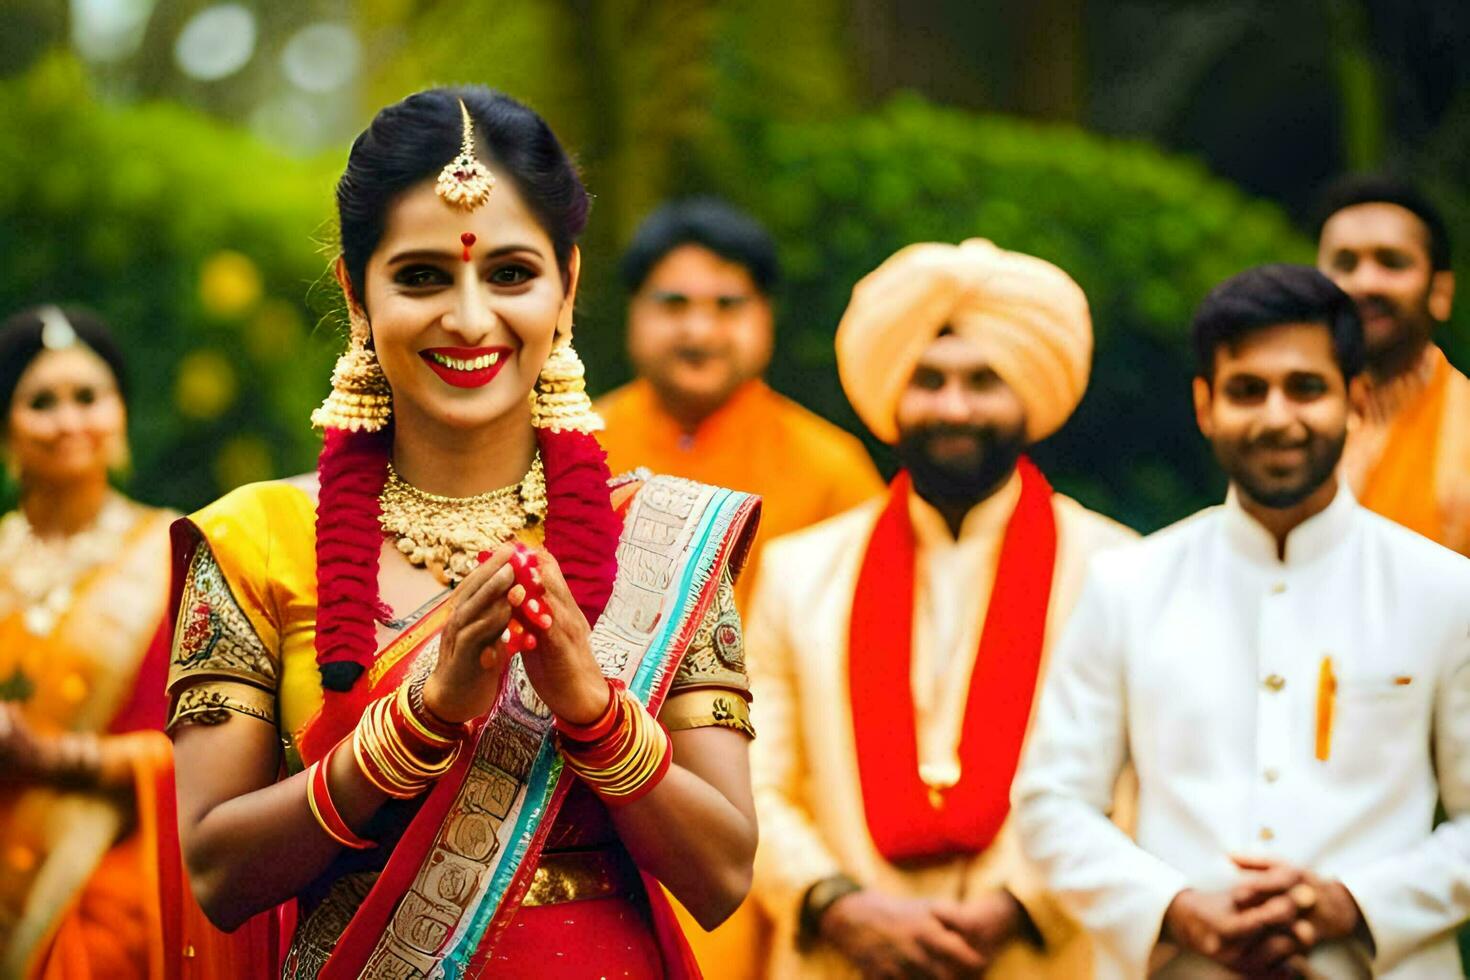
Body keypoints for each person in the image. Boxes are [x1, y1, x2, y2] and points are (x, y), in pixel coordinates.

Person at [165, 87, 761, 979]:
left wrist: (592, 711)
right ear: (355, 294)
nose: (472, 319)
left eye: (511, 274)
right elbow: (219, 873)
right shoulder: (258, 543)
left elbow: (722, 875)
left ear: (569, 283)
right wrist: (421, 718)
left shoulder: (661, 536)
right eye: (421, 277)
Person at [1014, 265, 1470, 979]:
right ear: (1205, 404)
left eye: (1306, 388)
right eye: (1247, 390)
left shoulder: (1445, 590)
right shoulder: (1130, 584)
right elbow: (1051, 801)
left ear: (1356, 397)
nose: (1277, 417)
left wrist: (1353, 903)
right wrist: (1175, 908)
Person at [747, 239, 1137, 978]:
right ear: (893, 393)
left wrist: (1018, 907)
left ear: (1030, 392)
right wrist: (837, 904)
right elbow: (755, 781)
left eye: (983, 380)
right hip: (844, 958)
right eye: (929, 379)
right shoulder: (799, 574)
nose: (954, 407)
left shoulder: (1117, 569)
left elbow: (1135, 778)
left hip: (1043, 959)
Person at [596, 197, 884, 612]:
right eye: (674, 304)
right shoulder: (574, 450)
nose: (699, 331)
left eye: (728, 305)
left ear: (767, 314)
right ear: (633, 310)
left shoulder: (830, 471)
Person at [0, 306, 176, 977]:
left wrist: (49, 757)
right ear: (6, 429)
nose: (70, 421)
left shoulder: (173, 556)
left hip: (107, 870)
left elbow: (203, 748)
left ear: (121, 414)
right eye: (41, 402)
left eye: (88, 397)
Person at [1315, 174, 1469, 554]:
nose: (1365, 283)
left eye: (1392, 262)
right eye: (1345, 264)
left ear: (1440, 292)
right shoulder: (1288, 421)